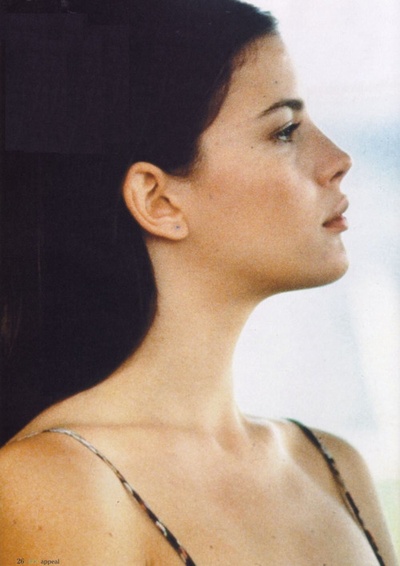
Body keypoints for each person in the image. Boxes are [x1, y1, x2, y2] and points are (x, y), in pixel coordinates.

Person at [0, 0, 398, 564]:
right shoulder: (55, 487)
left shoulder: (333, 467)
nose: (339, 159)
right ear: (158, 201)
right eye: (285, 131)